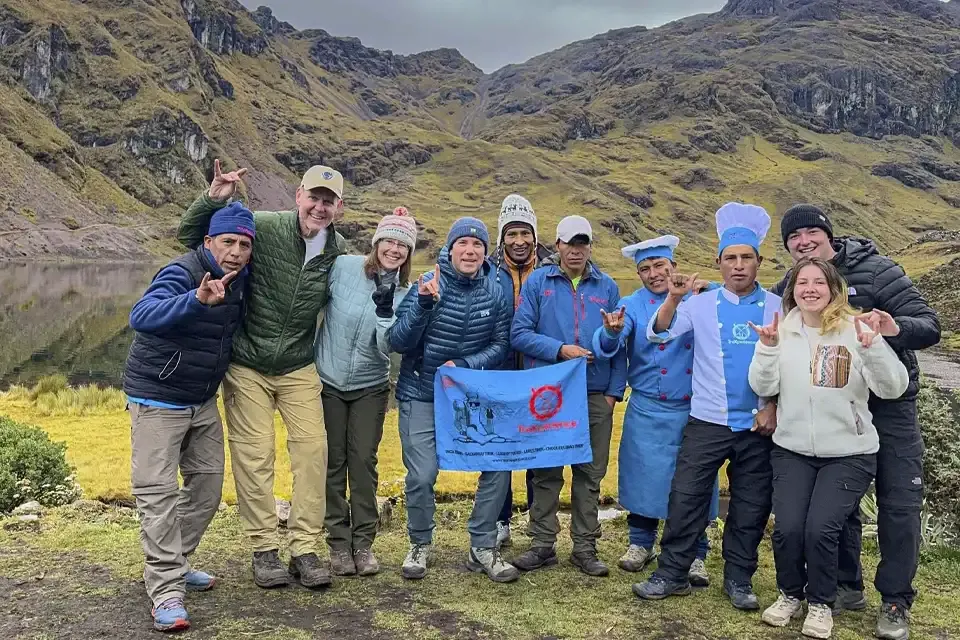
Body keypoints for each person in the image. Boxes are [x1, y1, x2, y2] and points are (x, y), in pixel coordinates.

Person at [177, 160, 347, 589]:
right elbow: (191, 237)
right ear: (299, 196)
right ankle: (264, 549)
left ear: (339, 208)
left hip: (298, 364)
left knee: (313, 452)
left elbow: (368, 281)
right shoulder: (265, 227)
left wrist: (396, 239)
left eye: (328, 201)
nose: (320, 207)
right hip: (247, 363)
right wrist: (212, 198)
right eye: (314, 197)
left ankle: (305, 549)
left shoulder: (338, 251)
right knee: (255, 456)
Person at [774, 204, 940, 640]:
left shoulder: (879, 271)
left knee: (899, 504)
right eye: (794, 237)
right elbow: (776, 334)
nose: (804, 242)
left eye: (811, 232)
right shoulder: (794, 284)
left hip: (891, 406)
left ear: (828, 234)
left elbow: (929, 326)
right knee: (838, 504)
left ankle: (895, 601)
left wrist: (892, 327)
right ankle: (847, 585)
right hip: (836, 409)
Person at [750, 257, 909, 639]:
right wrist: (768, 348)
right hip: (792, 449)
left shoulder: (855, 330)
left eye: (818, 282)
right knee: (788, 528)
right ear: (792, 292)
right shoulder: (782, 331)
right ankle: (790, 594)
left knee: (821, 528)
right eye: (802, 282)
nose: (810, 289)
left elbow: (893, 388)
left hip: (849, 453)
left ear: (834, 289)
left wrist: (874, 348)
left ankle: (821, 603)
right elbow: (762, 385)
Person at [632, 203, 781, 611]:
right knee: (685, 498)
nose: (738, 266)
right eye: (730, 258)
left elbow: (789, 362)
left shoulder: (778, 306)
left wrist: (772, 407)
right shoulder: (698, 305)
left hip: (759, 426)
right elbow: (659, 332)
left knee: (750, 506)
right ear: (719, 263)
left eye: (746, 258)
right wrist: (673, 298)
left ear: (759, 261)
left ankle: (739, 579)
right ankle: (671, 573)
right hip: (707, 422)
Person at [124, 203, 254, 631]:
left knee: (207, 489)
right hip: (157, 399)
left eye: (244, 245)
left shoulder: (240, 277)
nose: (236, 252)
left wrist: (215, 196)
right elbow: (141, 316)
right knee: (157, 495)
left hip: (201, 400)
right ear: (209, 242)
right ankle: (166, 591)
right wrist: (196, 300)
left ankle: (174, 562)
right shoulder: (181, 272)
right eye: (228, 242)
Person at [389, 217, 517, 583]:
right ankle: (419, 543)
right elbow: (397, 341)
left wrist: (463, 365)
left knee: (498, 465)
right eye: (463, 243)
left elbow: (501, 345)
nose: (470, 251)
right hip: (421, 393)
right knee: (422, 475)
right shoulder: (427, 284)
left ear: (485, 252)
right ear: (450, 248)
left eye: (478, 245)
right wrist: (423, 305)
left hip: (469, 396)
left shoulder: (495, 292)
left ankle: (482, 546)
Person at [591, 236, 720, 585]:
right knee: (643, 476)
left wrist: (712, 288)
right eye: (645, 269)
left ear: (673, 266)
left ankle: (697, 552)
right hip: (647, 406)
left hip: (694, 408)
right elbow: (609, 343)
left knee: (696, 482)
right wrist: (610, 332)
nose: (653, 274)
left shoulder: (699, 297)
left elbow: (731, 302)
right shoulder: (632, 304)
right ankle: (641, 542)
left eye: (660, 266)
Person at [509, 215, 628, 577]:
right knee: (546, 470)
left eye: (582, 243)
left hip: (595, 394)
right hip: (550, 393)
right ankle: (542, 544)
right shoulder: (538, 282)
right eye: (569, 243)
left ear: (590, 246)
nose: (576, 250)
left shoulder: (607, 286)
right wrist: (561, 350)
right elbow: (519, 334)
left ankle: (585, 547)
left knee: (590, 474)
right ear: (557, 245)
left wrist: (613, 393)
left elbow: (619, 343)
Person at [314, 207, 417, 577]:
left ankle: (363, 543)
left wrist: (385, 314)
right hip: (327, 380)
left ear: (408, 253)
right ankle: (338, 544)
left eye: (403, 245)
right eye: (389, 240)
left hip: (370, 386)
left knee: (362, 462)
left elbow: (387, 348)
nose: (394, 249)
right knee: (332, 462)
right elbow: (312, 302)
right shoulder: (343, 267)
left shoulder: (406, 294)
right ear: (376, 242)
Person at [487, 194, 552, 548]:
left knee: (537, 448)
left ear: (535, 236)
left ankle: (538, 521)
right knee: (499, 448)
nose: (519, 241)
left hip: (539, 370)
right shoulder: (487, 270)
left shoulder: (551, 269)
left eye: (525, 233)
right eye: (511, 234)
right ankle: (500, 521)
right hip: (498, 370)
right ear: (502, 237)